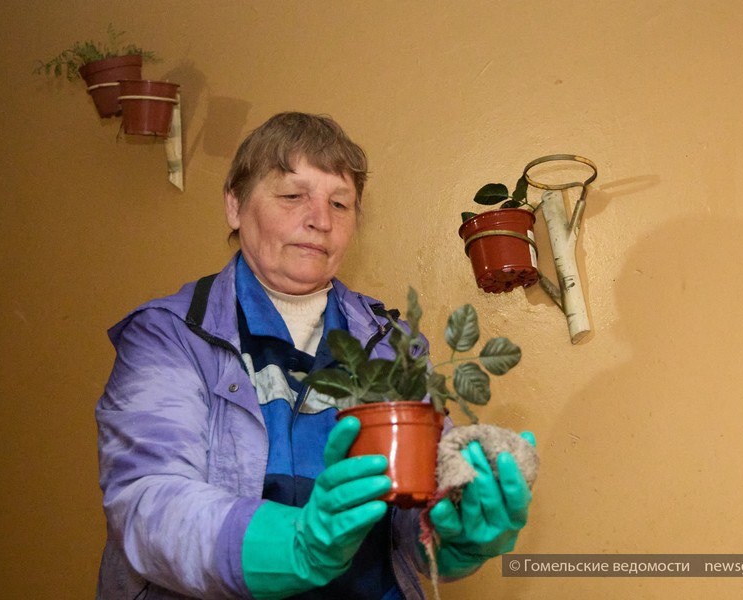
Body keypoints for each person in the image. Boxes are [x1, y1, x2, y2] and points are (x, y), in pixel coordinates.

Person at [96, 112, 534, 599]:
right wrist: (296, 544)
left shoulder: (393, 345)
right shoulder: (169, 335)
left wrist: (456, 531)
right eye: (292, 196)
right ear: (235, 205)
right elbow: (148, 506)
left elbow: (414, 519)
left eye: (340, 203)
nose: (321, 220)